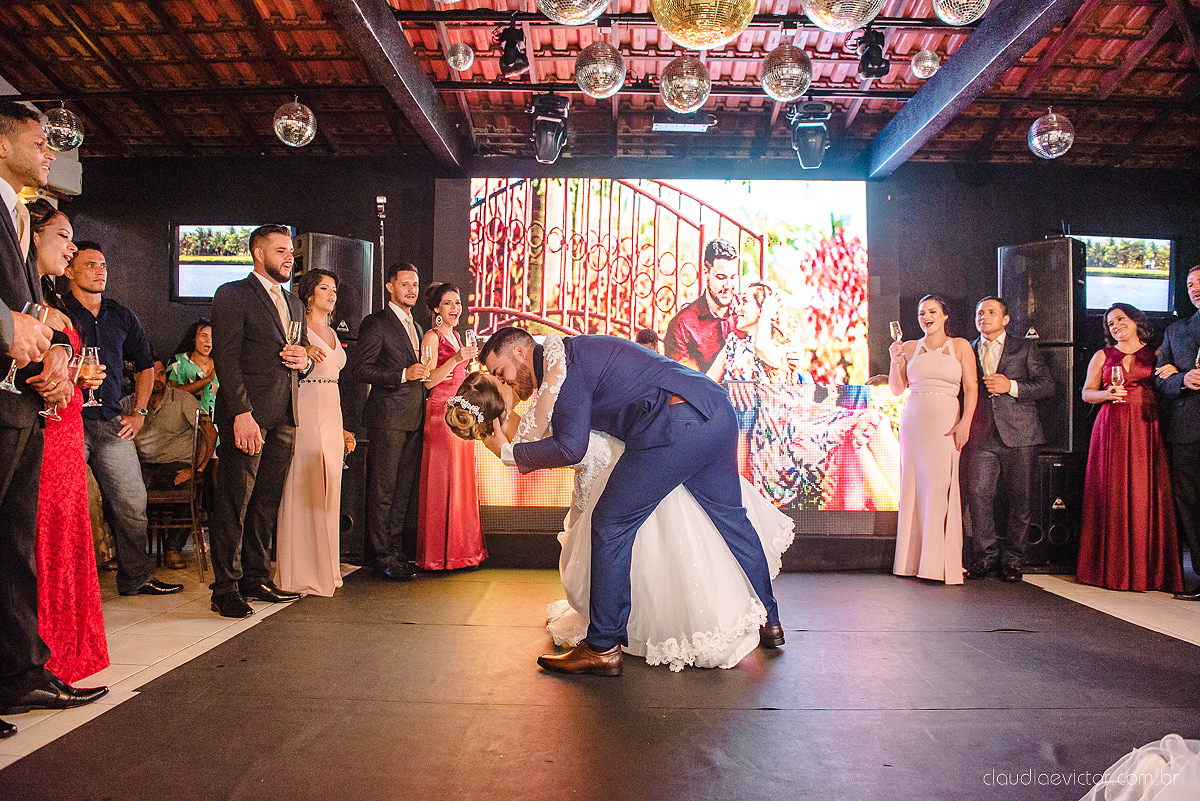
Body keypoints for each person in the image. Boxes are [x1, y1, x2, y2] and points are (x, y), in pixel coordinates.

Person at [450, 348, 794, 671]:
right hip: (712, 407)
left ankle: (602, 648)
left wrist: (508, 452)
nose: (504, 380)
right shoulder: (568, 362)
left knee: (609, 526)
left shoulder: (561, 372)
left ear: (519, 352)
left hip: (670, 430)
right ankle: (771, 620)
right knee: (732, 520)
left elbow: (571, 448)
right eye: (497, 379)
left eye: (501, 372)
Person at [0, 99, 106, 734]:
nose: (50, 152)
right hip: (8, 396)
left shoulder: (15, 214)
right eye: (40, 141)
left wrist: (52, 357)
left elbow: (27, 313)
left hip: (23, 401)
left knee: (13, 547)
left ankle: (20, 675)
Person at [62, 241, 184, 599]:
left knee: (133, 504)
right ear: (69, 271)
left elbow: (146, 365)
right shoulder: (59, 310)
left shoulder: (121, 315)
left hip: (112, 423)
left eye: (103, 265)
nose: (100, 271)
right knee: (66, 507)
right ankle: (66, 589)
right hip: (69, 420)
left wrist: (140, 412)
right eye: (90, 265)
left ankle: (135, 579)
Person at [28, 199, 110, 684]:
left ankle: (63, 649)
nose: (70, 248)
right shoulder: (27, 297)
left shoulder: (44, 296)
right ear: (31, 235)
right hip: (45, 426)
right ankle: (42, 654)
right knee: (42, 539)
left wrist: (77, 373)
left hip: (67, 423)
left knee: (65, 535)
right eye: (63, 238)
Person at [208, 224, 307, 618]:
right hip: (247, 414)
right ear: (258, 253)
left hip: (285, 413)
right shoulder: (232, 293)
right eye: (280, 250)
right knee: (234, 502)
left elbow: (297, 353)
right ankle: (225, 588)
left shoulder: (294, 303)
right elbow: (226, 357)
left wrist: (304, 359)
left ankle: (256, 576)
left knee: (266, 504)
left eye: (291, 252)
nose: (289, 258)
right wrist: (241, 413)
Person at [1078, 303, 1183, 593]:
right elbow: (1086, 393)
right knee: (1111, 492)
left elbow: (1170, 381)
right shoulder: (1102, 355)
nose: (1116, 326)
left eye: (1120, 319)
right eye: (1110, 323)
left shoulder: (1157, 352)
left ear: (1136, 321)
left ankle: (1146, 570)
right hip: (1110, 426)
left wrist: (1173, 371)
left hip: (1145, 426)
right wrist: (1105, 394)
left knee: (1143, 492)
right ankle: (1111, 569)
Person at [963, 296, 1055, 582]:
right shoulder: (968, 348)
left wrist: (1011, 385)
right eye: (980, 312)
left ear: (1005, 319)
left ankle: (1014, 560)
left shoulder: (1024, 347)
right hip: (981, 434)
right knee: (978, 496)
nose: (984, 317)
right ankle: (985, 557)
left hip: (1021, 433)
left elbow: (1047, 385)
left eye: (991, 312)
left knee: (1020, 500)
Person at [275, 268, 354, 597]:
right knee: (304, 485)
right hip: (306, 404)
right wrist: (303, 352)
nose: (331, 294)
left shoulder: (333, 331)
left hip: (331, 408)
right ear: (309, 294)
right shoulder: (298, 329)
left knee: (330, 489)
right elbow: (284, 361)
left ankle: (326, 568)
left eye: (334, 289)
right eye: (324, 288)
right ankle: (299, 571)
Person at [889, 295, 978, 585]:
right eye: (921, 313)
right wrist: (895, 360)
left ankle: (937, 563)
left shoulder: (960, 346)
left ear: (945, 315)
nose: (926, 317)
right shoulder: (910, 347)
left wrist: (965, 423)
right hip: (914, 421)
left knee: (939, 486)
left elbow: (971, 387)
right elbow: (897, 388)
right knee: (913, 487)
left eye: (932, 312)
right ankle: (911, 561)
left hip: (946, 422)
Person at [351, 263, 430, 581]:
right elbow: (360, 369)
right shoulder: (377, 323)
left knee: (402, 492)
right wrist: (402, 374)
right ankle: (380, 555)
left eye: (415, 284)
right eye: (405, 284)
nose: (412, 290)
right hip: (387, 418)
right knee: (383, 490)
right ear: (390, 287)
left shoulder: (418, 327)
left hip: (413, 417)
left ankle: (396, 552)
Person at [415, 282, 485, 570]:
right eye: (448, 303)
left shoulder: (456, 336)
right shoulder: (432, 337)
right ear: (436, 309)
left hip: (459, 412)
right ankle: (438, 555)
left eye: (457, 302)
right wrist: (457, 359)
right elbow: (428, 380)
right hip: (441, 414)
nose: (455, 308)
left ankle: (460, 553)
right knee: (442, 482)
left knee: (461, 481)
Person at [123, 359, 217, 568]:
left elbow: (210, 432)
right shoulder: (129, 403)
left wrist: (197, 468)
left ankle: (173, 548)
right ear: (137, 378)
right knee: (120, 493)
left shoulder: (182, 399)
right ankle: (131, 553)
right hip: (142, 465)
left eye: (162, 374)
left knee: (186, 487)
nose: (158, 379)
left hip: (177, 464)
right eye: (151, 374)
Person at [1157, 264, 1200, 601]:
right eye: (1190, 284)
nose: (1195, 288)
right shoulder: (1176, 331)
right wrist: (1181, 379)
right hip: (1186, 430)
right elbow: (1159, 378)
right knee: (1189, 503)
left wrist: (1179, 371)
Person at [663, 237, 740, 372]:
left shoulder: (747, 312)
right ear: (706, 273)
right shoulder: (682, 325)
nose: (728, 286)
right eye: (721, 277)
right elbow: (686, 380)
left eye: (733, 277)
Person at [167, 318, 218, 419]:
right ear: (193, 338)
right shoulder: (179, 361)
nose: (208, 340)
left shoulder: (219, 363)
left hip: (214, 424)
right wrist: (207, 380)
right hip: (185, 422)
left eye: (212, 337)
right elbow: (172, 393)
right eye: (204, 336)